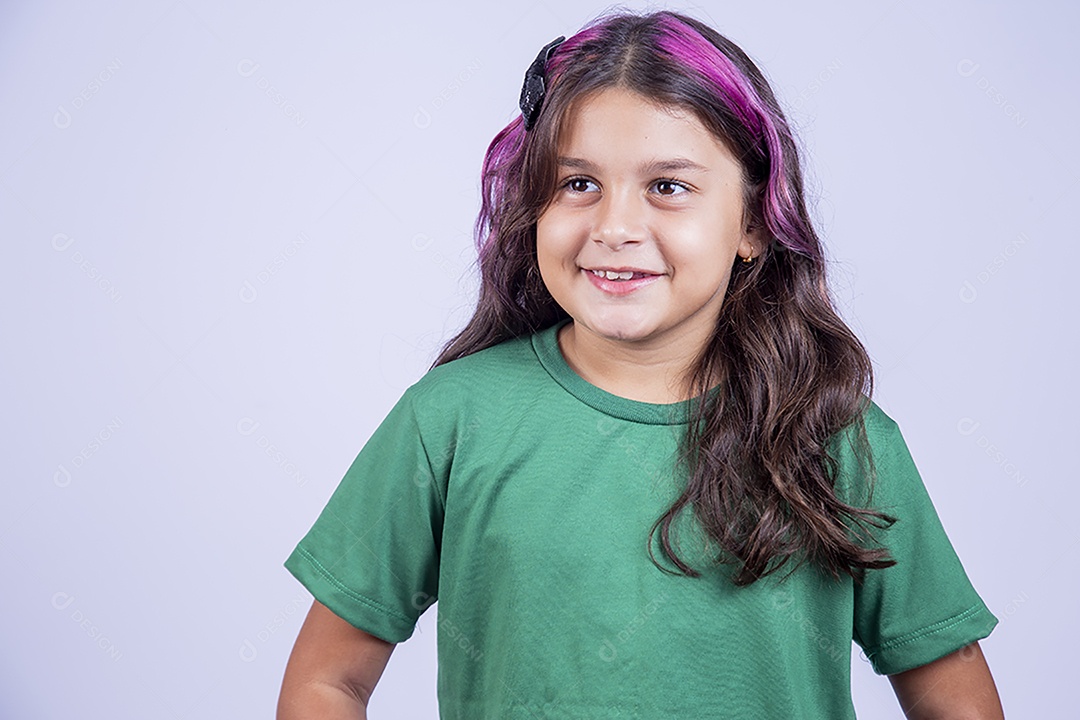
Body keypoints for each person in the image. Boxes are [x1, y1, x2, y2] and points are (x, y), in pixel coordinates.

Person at [277, 9, 1004, 719]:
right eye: (578, 184)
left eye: (668, 187)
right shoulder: (449, 419)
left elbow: (954, 694)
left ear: (753, 222)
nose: (615, 227)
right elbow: (326, 682)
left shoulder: (839, 435)